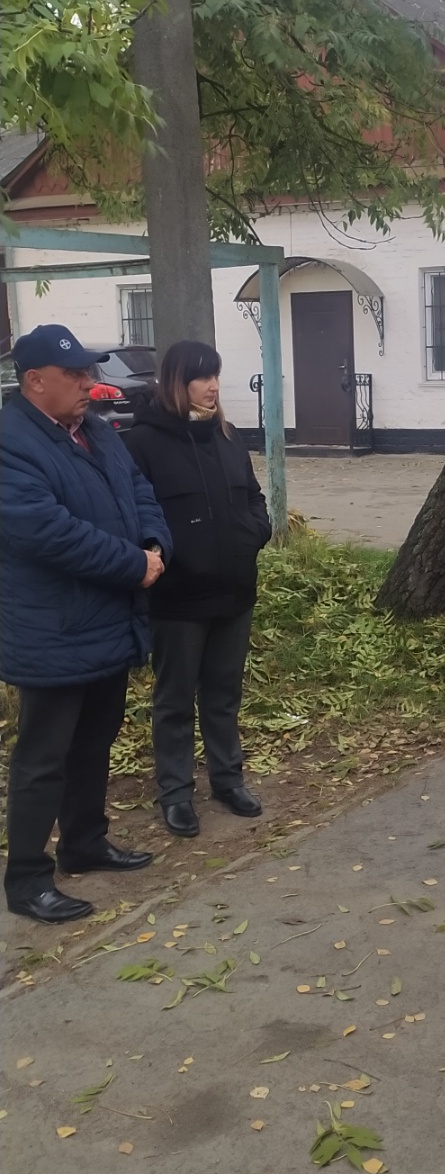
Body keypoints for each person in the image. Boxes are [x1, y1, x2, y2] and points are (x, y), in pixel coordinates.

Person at [1, 325, 171, 923]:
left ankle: (84, 843)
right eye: (76, 375)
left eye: (90, 372)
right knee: (43, 757)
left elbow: (140, 492)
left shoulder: (97, 432)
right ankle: (25, 879)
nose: (89, 383)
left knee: (94, 743)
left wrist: (154, 543)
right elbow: (47, 532)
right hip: (54, 629)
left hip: (108, 620)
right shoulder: (11, 443)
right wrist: (136, 566)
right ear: (35, 382)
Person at [124, 342, 271, 837]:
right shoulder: (142, 442)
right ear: (175, 381)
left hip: (233, 591)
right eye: (202, 378)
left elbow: (252, 498)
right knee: (174, 699)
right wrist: (169, 558)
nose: (213, 386)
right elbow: (136, 517)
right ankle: (176, 793)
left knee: (224, 694)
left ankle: (228, 780)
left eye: (216, 376)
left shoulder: (226, 435)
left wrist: (255, 534)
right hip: (178, 600)